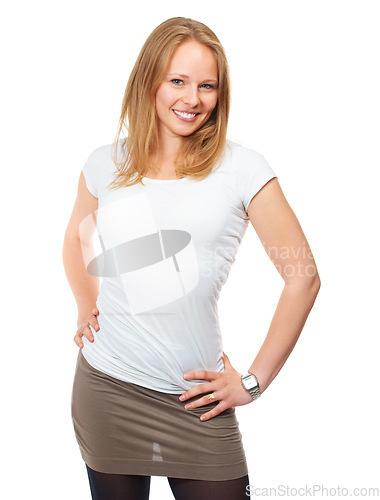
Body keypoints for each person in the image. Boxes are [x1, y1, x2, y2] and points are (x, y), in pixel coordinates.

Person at [62, 16, 321, 500]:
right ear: (149, 82)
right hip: (107, 388)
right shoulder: (104, 164)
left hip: (198, 404)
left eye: (207, 86)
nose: (192, 99)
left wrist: (252, 382)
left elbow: (302, 277)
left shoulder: (243, 169)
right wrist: (85, 303)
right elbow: (77, 239)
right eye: (177, 81)